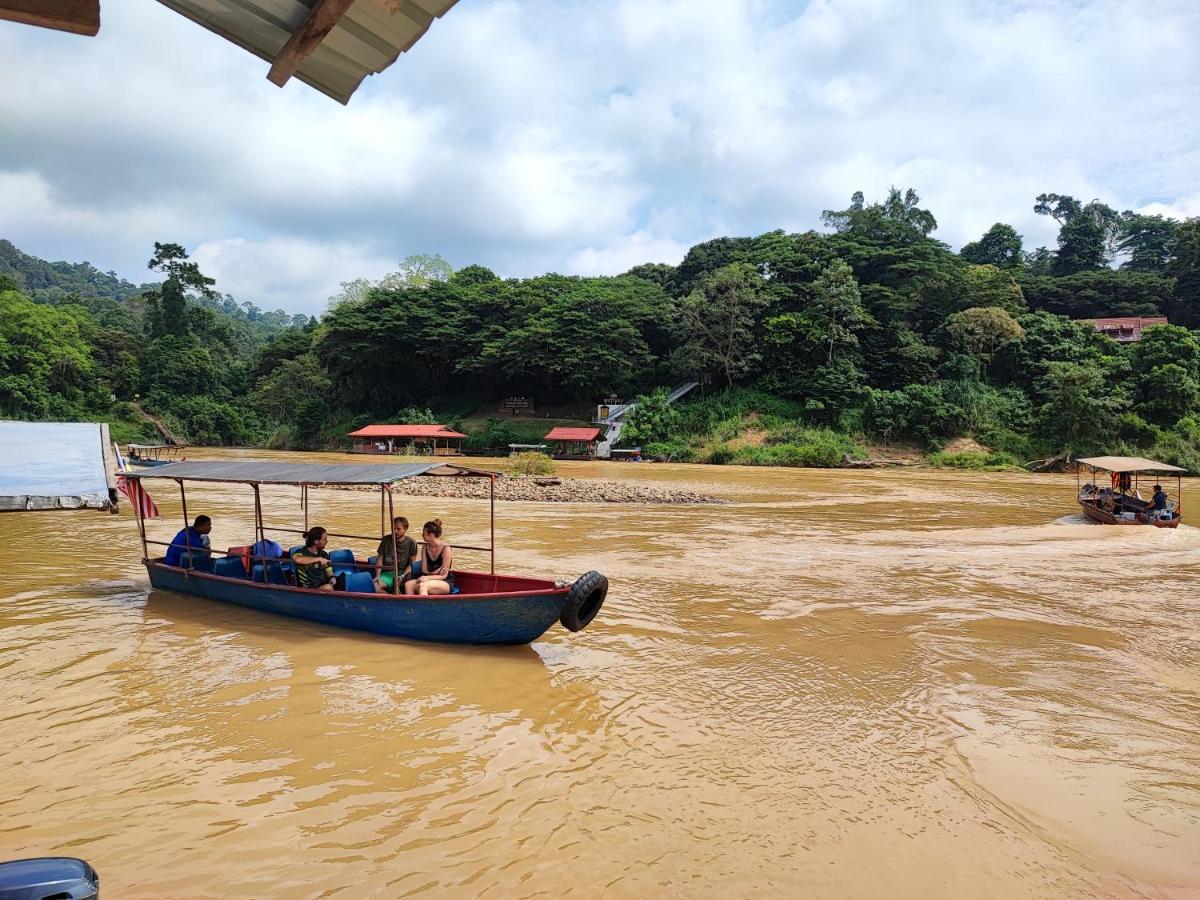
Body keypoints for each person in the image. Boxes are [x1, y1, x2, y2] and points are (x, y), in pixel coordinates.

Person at [404, 518, 454, 596]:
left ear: (430, 535)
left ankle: (424, 608)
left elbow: (443, 575)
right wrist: (433, 573)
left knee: (423, 586)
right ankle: (412, 608)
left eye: (423, 533)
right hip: (427, 578)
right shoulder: (425, 547)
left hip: (445, 581)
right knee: (408, 584)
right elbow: (424, 570)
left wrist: (428, 577)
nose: (422, 535)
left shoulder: (446, 549)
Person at [375, 515, 418, 593]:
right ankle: (390, 597)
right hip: (387, 573)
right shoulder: (386, 540)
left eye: (398, 529)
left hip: (404, 573)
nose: (395, 531)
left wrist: (403, 575)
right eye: (393, 529)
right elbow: (380, 558)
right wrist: (377, 575)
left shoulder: (412, 542)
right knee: (374, 587)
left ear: (405, 529)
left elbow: (412, 563)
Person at [292, 526, 335, 591]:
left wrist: (332, 577)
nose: (327, 541)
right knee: (328, 588)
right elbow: (297, 559)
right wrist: (317, 559)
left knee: (344, 579)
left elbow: (328, 570)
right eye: (324, 539)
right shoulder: (300, 552)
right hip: (309, 585)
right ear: (316, 541)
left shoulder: (324, 554)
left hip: (323, 582)